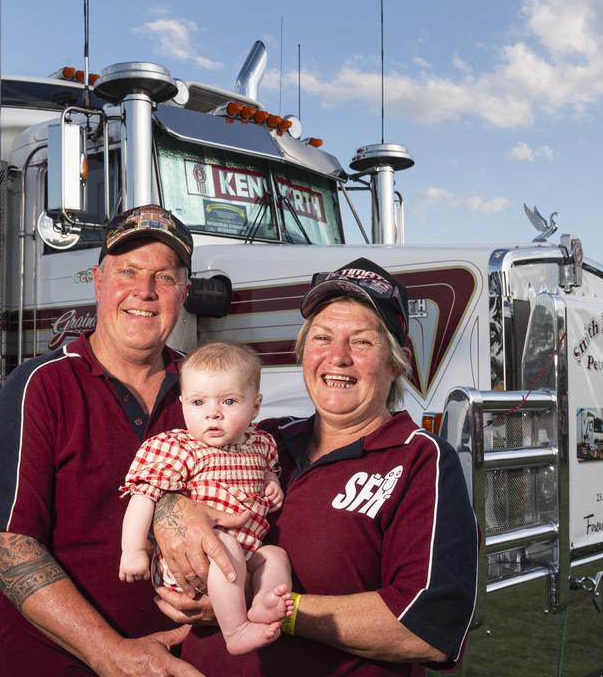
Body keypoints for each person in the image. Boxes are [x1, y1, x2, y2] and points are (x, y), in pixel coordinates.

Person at [154, 257, 479, 676]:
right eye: (322, 338)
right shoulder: (264, 440)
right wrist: (169, 511)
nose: (337, 358)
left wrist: (269, 607)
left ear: (398, 361)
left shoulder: (420, 459)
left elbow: (428, 626)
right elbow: (171, 477)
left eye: (362, 342)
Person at [0, 205, 241, 677]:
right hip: (61, 665)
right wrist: (107, 651)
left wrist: (232, 594)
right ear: (97, 280)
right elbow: (11, 545)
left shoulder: (207, 392)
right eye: (127, 272)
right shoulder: (41, 385)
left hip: (187, 663)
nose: (145, 292)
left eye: (165, 278)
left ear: (185, 293)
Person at [119, 342, 294, 655]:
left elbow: (268, 472)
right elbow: (143, 495)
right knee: (225, 546)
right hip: (193, 559)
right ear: (183, 403)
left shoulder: (261, 443)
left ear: (255, 407)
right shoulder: (180, 448)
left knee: (275, 555)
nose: (213, 413)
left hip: (245, 550)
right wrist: (132, 550)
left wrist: (271, 483)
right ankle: (236, 630)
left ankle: (266, 602)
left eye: (228, 401)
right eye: (198, 402)